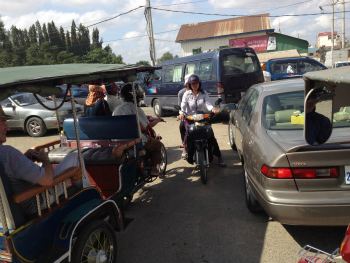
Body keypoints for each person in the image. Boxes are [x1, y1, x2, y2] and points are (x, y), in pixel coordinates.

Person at [0, 105, 82, 215]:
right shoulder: (8, 153)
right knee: (75, 158)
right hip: (36, 202)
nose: (7, 128)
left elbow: (10, 172)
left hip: (12, 211)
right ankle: (85, 195)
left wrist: (25, 157)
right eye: (2, 122)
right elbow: (47, 180)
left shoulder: (7, 156)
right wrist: (45, 159)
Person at [113, 83, 164, 176]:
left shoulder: (117, 109)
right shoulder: (136, 109)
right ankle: (155, 169)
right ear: (134, 95)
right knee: (158, 145)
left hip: (119, 142)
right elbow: (145, 128)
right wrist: (157, 120)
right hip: (136, 141)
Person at [179, 74, 225, 166]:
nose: (195, 85)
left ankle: (219, 156)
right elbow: (183, 106)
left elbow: (208, 104)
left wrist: (213, 109)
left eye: (196, 83)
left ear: (199, 84)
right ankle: (186, 148)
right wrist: (181, 113)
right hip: (190, 118)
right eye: (192, 84)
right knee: (184, 129)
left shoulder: (204, 93)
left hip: (202, 118)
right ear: (189, 85)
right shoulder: (186, 94)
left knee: (210, 135)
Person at [177, 74, 191, 158]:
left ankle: (218, 155)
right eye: (189, 83)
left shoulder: (201, 91)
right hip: (186, 116)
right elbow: (180, 108)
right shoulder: (181, 93)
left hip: (199, 116)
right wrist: (181, 114)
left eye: (194, 83)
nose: (192, 85)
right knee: (182, 126)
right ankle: (185, 146)